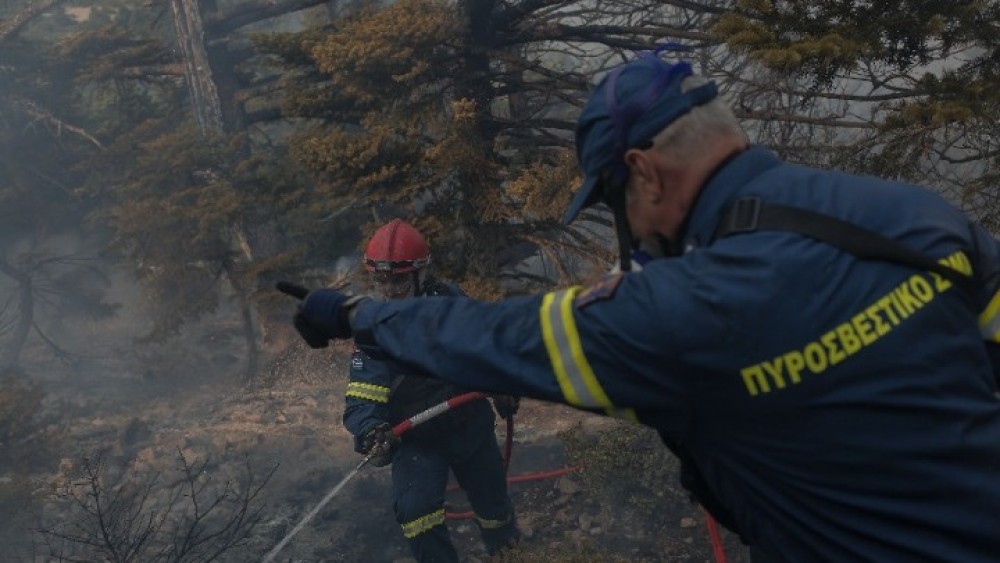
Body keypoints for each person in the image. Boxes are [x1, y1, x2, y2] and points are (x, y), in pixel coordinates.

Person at [280, 53, 1000, 561]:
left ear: (644, 172)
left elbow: (498, 337)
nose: (634, 229)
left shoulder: (682, 314)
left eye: (613, 202)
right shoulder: (912, 214)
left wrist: (351, 315)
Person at [340, 219, 520, 563]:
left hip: (471, 430)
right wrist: (371, 430)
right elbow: (362, 398)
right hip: (418, 442)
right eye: (382, 280)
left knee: (495, 510)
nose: (390, 290)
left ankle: (510, 555)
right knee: (416, 514)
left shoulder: (451, 303)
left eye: (399, 280)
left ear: (421, 276)